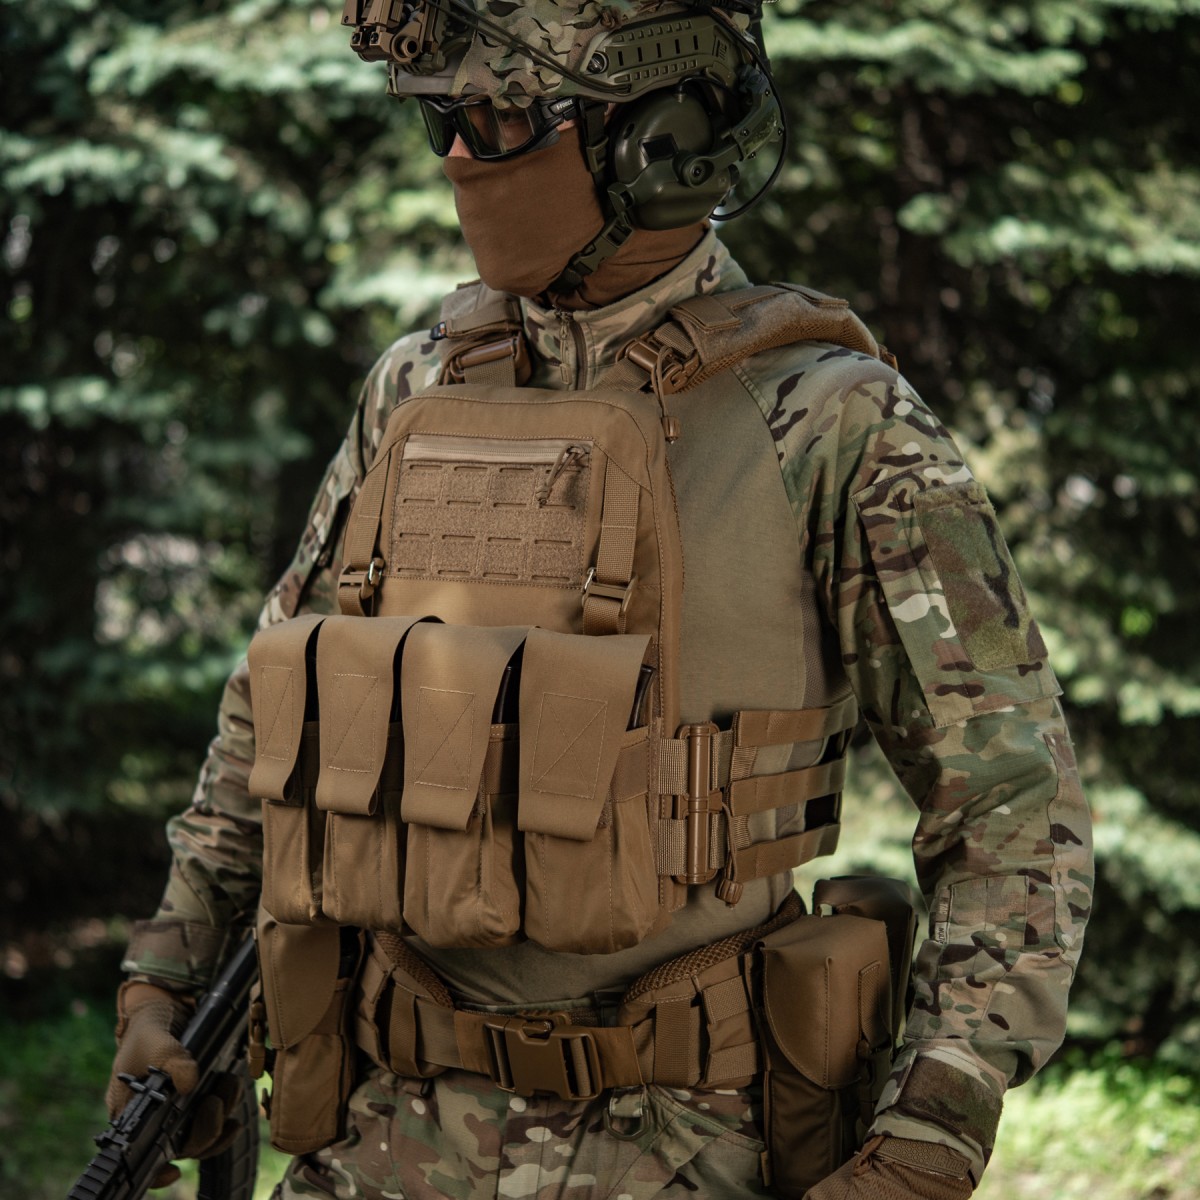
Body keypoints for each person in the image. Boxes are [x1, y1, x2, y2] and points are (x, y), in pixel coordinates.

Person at [105, 2, 1094, 1197]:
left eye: (505, 120)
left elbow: (1009, 801)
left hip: (687, 1146)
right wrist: (165, 982)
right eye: (444, 121)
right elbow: (272, 726)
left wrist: (933, 1128)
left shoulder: (831, 421)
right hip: (385, 1135)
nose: (462, 157)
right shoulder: (414, 392)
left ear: (662, 140)